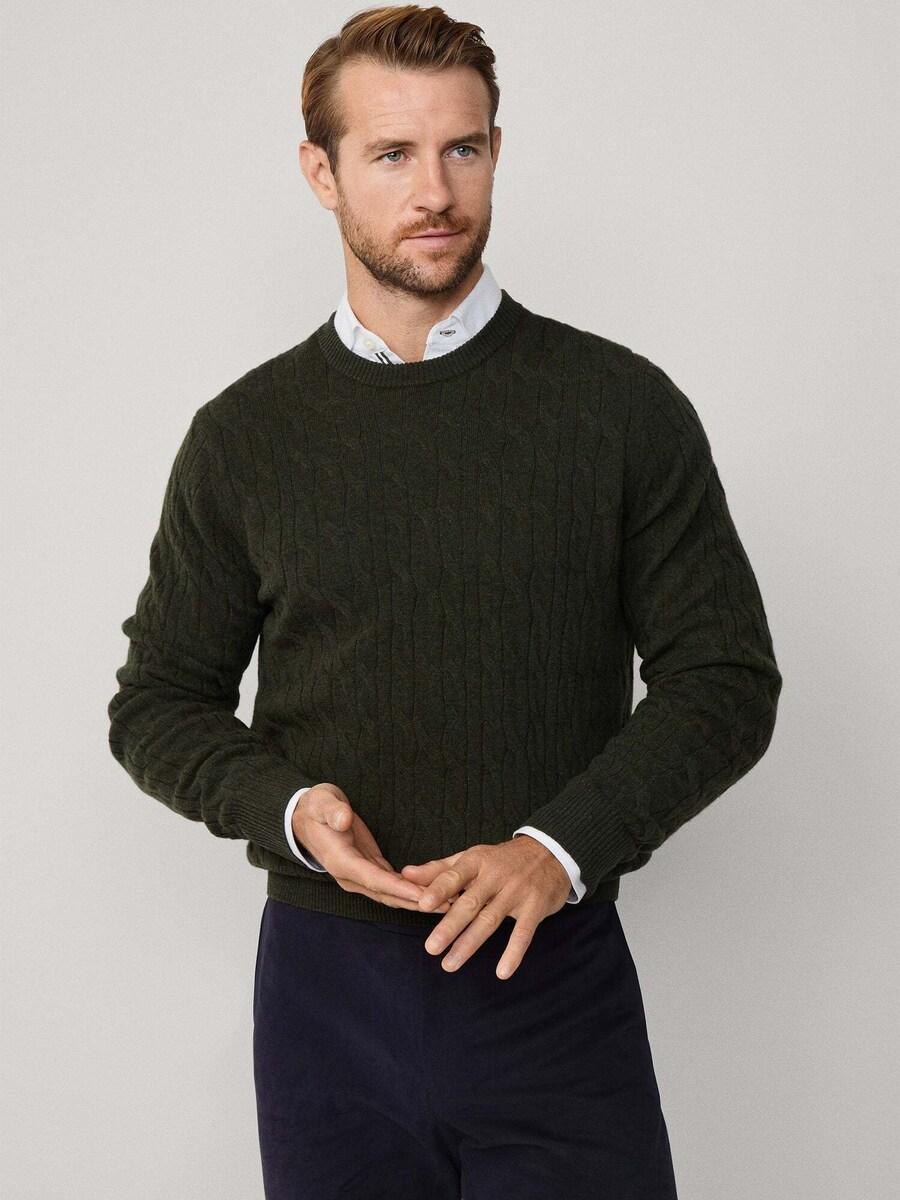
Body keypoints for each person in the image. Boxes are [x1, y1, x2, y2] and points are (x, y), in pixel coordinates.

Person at [107, 6, 783, 1197]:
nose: (436, 191)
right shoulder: (245, 438)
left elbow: (724, 679)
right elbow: (158, 701)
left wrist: (557, 849)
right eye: (392, 154)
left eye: (462, 148)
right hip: (326, 999)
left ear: (496, 151)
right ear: (321, 173)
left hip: (552, 982)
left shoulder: (620, 410)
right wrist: (289, 808)